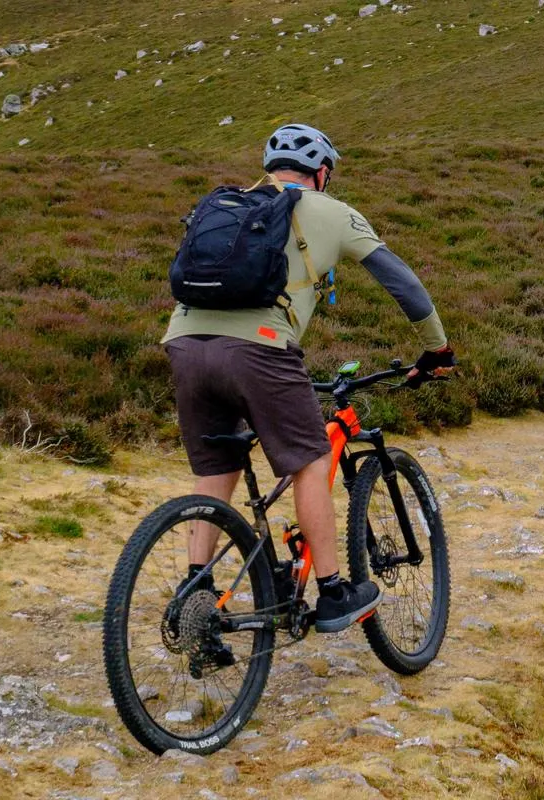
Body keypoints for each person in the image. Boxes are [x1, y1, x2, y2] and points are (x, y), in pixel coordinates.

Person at [162, 123, 456, 646]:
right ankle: (334, 592)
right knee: (311, 460)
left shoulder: (227, 204)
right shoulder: (330, 210)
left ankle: (196, 593)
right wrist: (437, 348)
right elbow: (403, 283)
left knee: (217, 469)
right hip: (261, 348)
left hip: (184, 344)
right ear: (322, 172)